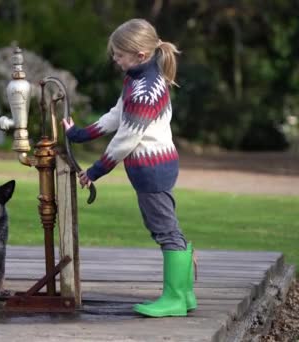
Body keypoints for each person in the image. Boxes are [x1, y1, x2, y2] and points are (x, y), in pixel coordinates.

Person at [62, 18, 197, 318]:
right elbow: (117, 115)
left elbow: (126, 138)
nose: (115, 58)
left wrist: (96, 170)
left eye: (119, 54)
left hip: (152, 169)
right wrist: (81, 134)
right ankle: (185, 294)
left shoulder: (145, 90)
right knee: (168, 227)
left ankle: (174, 298)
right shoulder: (138, 79)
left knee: (164, 230)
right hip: (156, 166)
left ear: (140, 54)